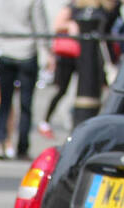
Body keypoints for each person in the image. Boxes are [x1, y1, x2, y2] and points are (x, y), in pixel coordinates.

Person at [0, 0, 49, 159]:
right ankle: (22, 147)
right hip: (27, 51)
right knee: (26, 104)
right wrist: (46, 51)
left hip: (4, 49)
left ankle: (0, 142)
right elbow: (40, 26)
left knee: (4, 102)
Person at [38, 3, 79, 138]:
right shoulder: (70, 8)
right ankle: (45, 121)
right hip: (66, 54)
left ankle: (73, 120)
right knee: (61, 90)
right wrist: (70, 25)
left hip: (79, 54)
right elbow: (56, 26)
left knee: (81, 90)